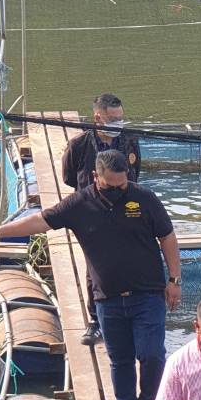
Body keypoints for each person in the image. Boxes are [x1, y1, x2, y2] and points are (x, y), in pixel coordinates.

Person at [0, 149, 181, 400]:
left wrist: (174, 280)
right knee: (119, 359)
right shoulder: (80, 204)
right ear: (96, 177)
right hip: (107, 298)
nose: (119, 190)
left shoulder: (144, 199)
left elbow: (168, 237)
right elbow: (40, 222)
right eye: (112, 186)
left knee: (151, 353)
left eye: (123, 185)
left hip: (147, 294)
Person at [62, 94, 143, 347]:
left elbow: (135, 174)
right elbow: (69, 177)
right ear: (98, 116)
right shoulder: (79, 145)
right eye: (112, 118)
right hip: (91, 213)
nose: (118, 123)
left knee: (128, 259)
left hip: (125, 209)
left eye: (120, 118)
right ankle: (96, 320)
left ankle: (127, 313)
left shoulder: (129, 141)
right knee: (94, 266)